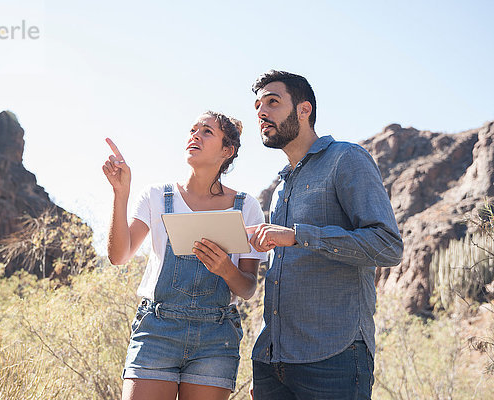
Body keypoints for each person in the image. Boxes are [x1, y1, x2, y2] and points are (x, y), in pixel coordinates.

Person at [245, 70, 403, 400]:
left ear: (304, 110)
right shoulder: (280, 187)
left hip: (333, 358)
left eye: (273, 102)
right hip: (272, 360)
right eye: (258, 105)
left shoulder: (346, 159)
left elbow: (388, 246)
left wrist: (299, 236)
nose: (262, 112)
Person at [103, 111, 267, 400]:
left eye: (207, 131)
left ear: (227, 151)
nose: (195, 135)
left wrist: (225, 269)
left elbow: (248, 288)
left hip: (216, 338)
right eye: (193, 129)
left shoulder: (246, 207)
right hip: (156, 330)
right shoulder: (156, 196)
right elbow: (119, 256)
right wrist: (121, 192)